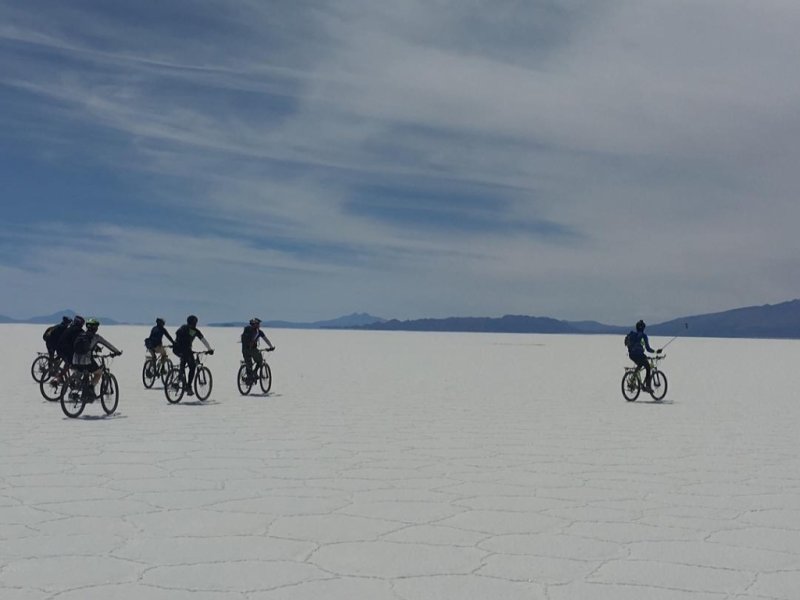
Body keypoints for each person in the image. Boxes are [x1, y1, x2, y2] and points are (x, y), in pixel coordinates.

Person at [72, 318, 122, 397]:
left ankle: (76, 389)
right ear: (95, 328)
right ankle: (91, 388)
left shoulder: (81, 335)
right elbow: (108, 344)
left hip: (75, 359)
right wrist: (117, 352)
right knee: (98, 373)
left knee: (81, 372)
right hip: (86, 361)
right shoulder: (96, 337)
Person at [173, 315, 214, 396]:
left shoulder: (183, 327)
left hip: (176, 349)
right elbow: (203, 340)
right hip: (186, 350)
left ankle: (180, 378)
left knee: (183, 362)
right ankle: (188, 387)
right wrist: (209, 349)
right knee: (192, 367)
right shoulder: (194, 331)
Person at [626, 320, 661, 391]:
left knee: (641, 364)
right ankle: (647, 386)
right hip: (639, 355)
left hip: (632, 355)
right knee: (648, 367)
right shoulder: (644, 336)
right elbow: (648, 349)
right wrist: (656, 351)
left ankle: (633, 379)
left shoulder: (633, 335)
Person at [240, 317, 275, 381]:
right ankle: (255, 372)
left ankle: (249, 378)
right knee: (260, 360)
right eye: (258, 324)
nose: (259, 325)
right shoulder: (258, 332)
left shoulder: (246, 330)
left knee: (249, 364)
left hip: (244, 349)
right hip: (252, 350)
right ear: (256, 324)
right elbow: (266, 340)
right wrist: (271, 347)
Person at [52, 315, 85, 381]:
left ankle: (63, 378)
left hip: (60, 349)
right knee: (73, 364)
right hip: (66, 350)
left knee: (69, 362)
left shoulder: (70, 328)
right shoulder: (78, 331)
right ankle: (58, 379)